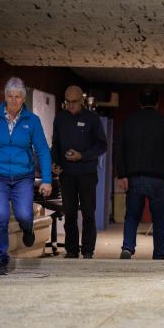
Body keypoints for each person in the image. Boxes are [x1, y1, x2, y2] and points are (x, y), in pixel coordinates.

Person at [0, 77, 52, 275]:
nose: (14, 100)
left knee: (24, 215)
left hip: (23, 177)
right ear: (5, 97)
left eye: (18, 97)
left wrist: (47, 179)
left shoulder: (32, 121)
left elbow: (42, 150)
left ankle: (28, 229)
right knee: (1, 216)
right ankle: (1, 260)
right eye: (10, 96)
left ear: (23, 98)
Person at [115, 88, 164, 260]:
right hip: (158, 179)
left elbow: (120, 149)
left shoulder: (129, 122)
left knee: (132, 215)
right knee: (159, 218)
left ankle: (128, 247)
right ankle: (159, 252)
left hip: (134, 178)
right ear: (157, 103)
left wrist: (122, 174)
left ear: (139, 102)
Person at [51, 85, 108, 259]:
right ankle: (72, 250)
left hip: (87, 173)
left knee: (88, 213)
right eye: (67, 102)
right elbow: (56, 145)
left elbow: (102, 145)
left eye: (74, 102)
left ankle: (88, 250)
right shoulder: (60, 119)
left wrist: (82, 156)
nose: (70, 105)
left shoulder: (92, 119)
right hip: (67, 174)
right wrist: (55, 163)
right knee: (69, 213)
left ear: (82, 101)